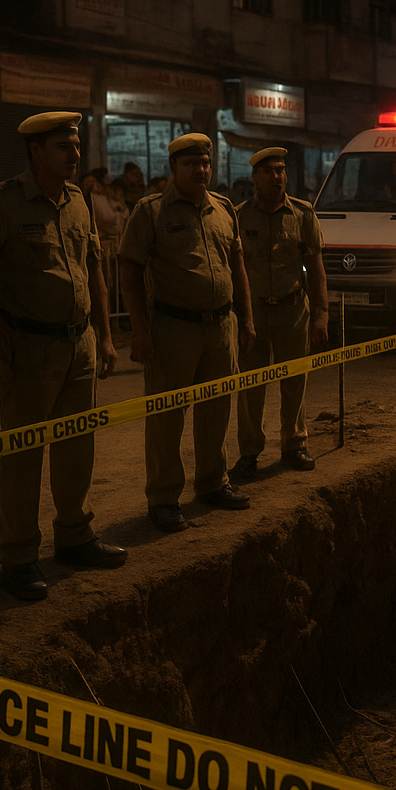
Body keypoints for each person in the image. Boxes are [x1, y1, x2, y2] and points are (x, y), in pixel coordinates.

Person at [0, 112, 127, 599]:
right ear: (35, 152)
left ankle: (75, 534)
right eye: (62, 147)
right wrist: (0, 331)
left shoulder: (78, 201)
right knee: (24, 454)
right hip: (29, 349)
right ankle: (20, 556)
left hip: (79, 346)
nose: (74, 154)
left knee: (78, 446)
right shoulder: (0, 204)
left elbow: (94, 273)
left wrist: (105, 337)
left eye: (75, 145)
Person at [118, 133, 256, 532]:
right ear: (173, 168)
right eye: (190, 164)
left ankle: (213, 482)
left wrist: (245, 321)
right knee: (166, 416)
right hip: (173, 328)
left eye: (205, 163)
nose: (200, 170)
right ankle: (163, 498)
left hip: (220, 327)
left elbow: (237, 267)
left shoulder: (223, 208)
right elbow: (129, 267)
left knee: (216, 409)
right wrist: (140, 332)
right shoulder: (150, 212)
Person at [230, 147, 328, 481]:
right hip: (253, 312)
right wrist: (239, 316)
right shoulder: (240, 217)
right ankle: (249, 451)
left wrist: (321, 313)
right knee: (250, 385)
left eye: (282, 170)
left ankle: (294, 444)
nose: (277, 177)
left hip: (292, 309)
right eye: (269, 171)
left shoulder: (302, 213)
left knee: (294, 380)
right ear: (255, 176)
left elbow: (315, 268)